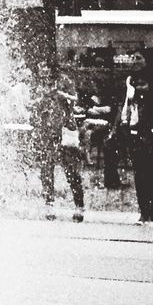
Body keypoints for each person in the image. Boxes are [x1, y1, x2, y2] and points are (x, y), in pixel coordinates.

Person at [111, 64, 153, 226]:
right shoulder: (135, 101)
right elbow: (128, 120)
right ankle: (144, 213)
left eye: (143, 84)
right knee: (141, 180)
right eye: (137, 84)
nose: (140, 87)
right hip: (138, 144)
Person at [32, 61, 85, 222]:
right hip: (46, 130)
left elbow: (75, 99)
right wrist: (39, 101)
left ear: (52, 69)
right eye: (41, 69)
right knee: (46, 169)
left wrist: (62, 95)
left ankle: (79, 205)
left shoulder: (64, 80)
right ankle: (49, 205)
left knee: (71, 169)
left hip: (65, 129)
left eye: (46, 68)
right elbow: (31, 103)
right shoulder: (38, 84)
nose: (44, 72)